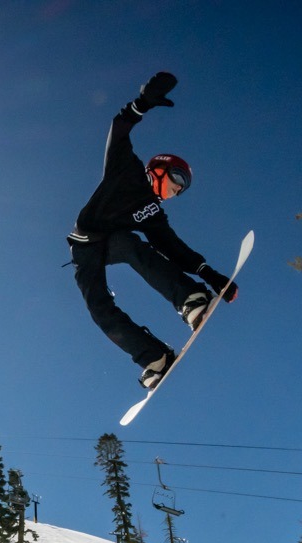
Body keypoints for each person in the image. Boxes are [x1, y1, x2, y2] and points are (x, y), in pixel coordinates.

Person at [68, 71, 239, 390]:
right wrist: (142, 104)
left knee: (133, 245)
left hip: (112, 242)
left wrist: (209, 274)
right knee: (98, 308)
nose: (176, 190)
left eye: (182, 189)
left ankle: (191, 300)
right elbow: (119, 129)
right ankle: (154, 357)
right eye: (177, 180)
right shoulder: (126, 169)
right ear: (158, 168)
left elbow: (172, 246)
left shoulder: (152, 213)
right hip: (83, 247)